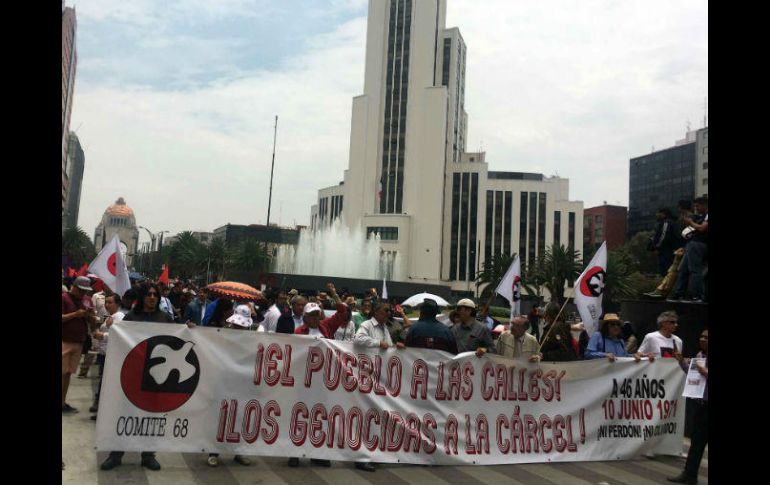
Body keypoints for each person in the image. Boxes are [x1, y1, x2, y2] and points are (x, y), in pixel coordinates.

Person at [100, 282, 174, 472]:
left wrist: (191, 329)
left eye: (155, 294)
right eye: (148, 294)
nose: (152, 297)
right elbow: (121, 340)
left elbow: (176, 339)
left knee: (150, 417)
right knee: (125, 415)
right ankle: (116, 455)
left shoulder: (165, 318)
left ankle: (148, 455)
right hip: (133, 374)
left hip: (155, 376)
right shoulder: (132, 317)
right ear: (142, 297)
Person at [288, 284, 349, 469]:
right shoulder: (299, 332)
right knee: (300, 416)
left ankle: (318, 453)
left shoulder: (326, 326)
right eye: (312, 315)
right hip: (305, 382)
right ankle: (294, 453)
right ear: (305, 317)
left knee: (320, 417)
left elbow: (343, 312)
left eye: (317, 314)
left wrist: (334, 294)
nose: (315, 318)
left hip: (322, 382)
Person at [206, 306, 255, 467]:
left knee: (240, 418)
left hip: (242, 384)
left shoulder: (252, 340)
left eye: (242, 325)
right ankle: (213, 452)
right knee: (220, 418)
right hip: (223, 383)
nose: (239, 327)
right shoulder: (222, 335)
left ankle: (238, 451)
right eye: (237, 324)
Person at [668, 329, 708, 484]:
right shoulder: (699, 356)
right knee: (696, 442)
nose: (702, 339)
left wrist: (705, 372)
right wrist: (681, 362)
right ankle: (690, 475)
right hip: (701, 405)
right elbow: (693, 375)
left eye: (706, 337)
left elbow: (703, 373)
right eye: (701, 336)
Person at [62, 276, 97, 413]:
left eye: (85, 291)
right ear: (74, 287)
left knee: (68, 373)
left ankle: (63, 402)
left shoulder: (86, 300)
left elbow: (92, 322)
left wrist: (91, 317)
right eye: (81, 290)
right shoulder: (64, 298)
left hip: (78, 341)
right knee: (62, 373)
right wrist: (75, 314)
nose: (83, 293)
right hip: (65, 340)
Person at [90, 294, 125, 419]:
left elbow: (120, 335)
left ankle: (104, 412)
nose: (107, 305)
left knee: (106, 383)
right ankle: (101, 409)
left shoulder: (119, 317)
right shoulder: (111, 317)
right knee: (103, 382)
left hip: (111, 355)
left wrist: (102, 336)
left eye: (110, 302)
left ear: (117, 304)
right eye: (106, 302)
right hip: (104, 353)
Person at [670, 197, 708, 302]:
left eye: (698, 206)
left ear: (705, 205)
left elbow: (702, 228)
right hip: (692, 244)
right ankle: (679, 293)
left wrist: (690, 222)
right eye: (695, 206)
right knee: (682, 269)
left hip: (699, 244)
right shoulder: (701, 216)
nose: (696, 208)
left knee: (695, 270)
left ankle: (698, 295)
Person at [584, 314, 652, 362]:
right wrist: (605, 355)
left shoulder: (620, 341)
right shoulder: (598, 336)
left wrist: (639, 356)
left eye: (618, 325)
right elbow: (588, 354)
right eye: (612, 325)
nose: (616, 327)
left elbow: (624, 356)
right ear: (606, 326)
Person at [649, 208, 680, 277]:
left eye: (658, 213)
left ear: (663, 214)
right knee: (667, 269)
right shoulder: (670, 222)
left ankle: (666, 286)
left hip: (666, 250)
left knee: (665, 269)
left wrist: (657, 247)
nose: (656, 215)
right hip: (668, 249)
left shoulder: (666, 222)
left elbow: (663, 235)